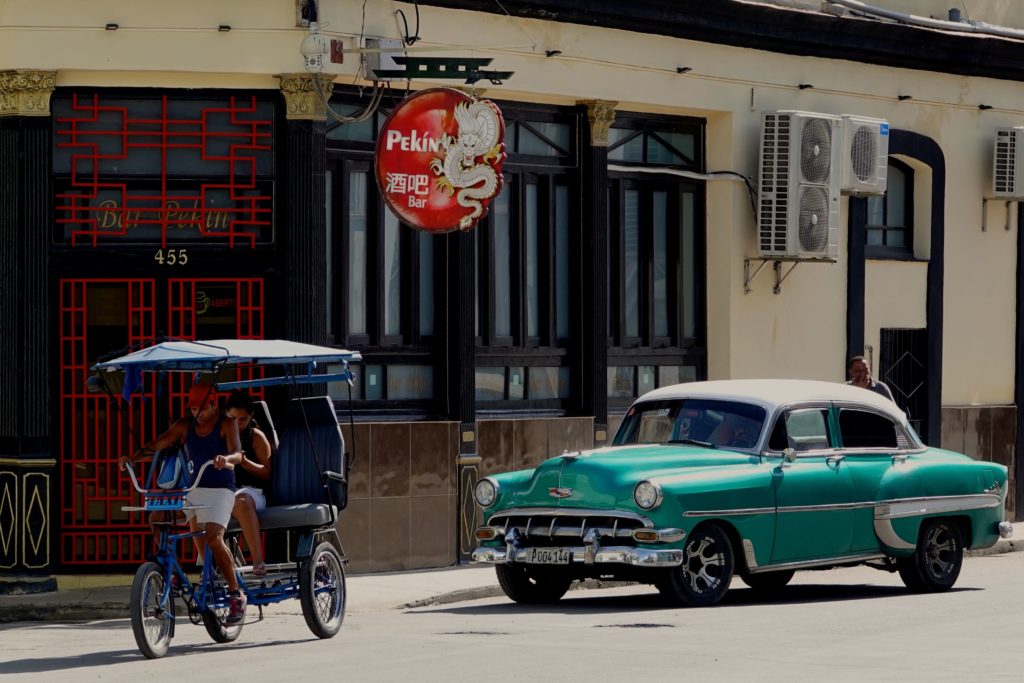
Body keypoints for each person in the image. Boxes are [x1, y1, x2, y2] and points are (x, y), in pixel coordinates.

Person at [119, 382, 247, 623]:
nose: (196, 415)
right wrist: (133, 458)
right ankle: (172, 571)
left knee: (213, 537)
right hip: (193, 489)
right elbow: (158, 444)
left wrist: (226, 458)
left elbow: (238, 453)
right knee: (156, 518)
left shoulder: (227, 424)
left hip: (221, 490)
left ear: (213, 405)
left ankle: (235, 594)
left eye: (201, 409)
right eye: (192, 409)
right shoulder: (185, 425)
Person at [224, 389, 273, 577]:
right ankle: (207, 565)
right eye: (232, 418)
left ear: (250, 416)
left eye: (242, 419)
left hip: (253, 493)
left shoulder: (256, 437)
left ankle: (258, 561)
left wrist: (244, 462)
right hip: (226, 492)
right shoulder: (221, 434)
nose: (237, 424)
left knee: (241, 501)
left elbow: (266, 473)